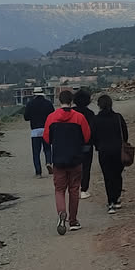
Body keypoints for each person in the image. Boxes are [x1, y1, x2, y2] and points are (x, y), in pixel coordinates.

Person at [42, 90, 91, 235]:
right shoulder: (79, 117)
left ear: (59, 100)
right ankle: (73, 221)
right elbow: (87, 136)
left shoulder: (51, 117)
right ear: (71, 101)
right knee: (74, 189)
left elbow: (46, 138)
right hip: (75, 158)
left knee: (59, 189)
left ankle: (61, 212)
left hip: (58, 159)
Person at [90, 92, 130, 211]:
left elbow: (93, 136)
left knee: (108, 176)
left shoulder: (96, 119)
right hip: (118, 150)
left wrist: (98, 146)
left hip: (104, 151)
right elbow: (125, 134)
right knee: (117, 174)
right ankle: (117, 198)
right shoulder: (118, 117)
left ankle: (111, 201)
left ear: (99, 105)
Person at [22, 86, 55, 177]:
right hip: (46, 129)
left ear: (34, 94)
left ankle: (38, 172)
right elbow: (53, 116)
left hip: (35, 131)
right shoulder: (48, 103)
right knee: (47, 148)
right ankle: (48, 162)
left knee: (36, 152)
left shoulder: (30, 104)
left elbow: (26, 117)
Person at [72, 87, 96, 199]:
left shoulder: (71, 112)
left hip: (73, 144)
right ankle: (84, 189)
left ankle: (74, 188)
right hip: (87, 144)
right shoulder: (90, 113)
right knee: (86, 167)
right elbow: (93, 130)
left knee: (74, 167)